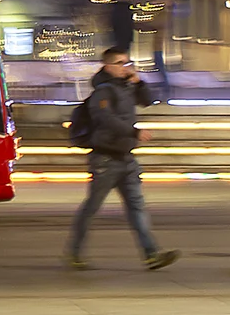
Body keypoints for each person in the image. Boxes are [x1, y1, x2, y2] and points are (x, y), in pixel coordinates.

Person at [66, 47, 180, 271]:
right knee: (92, 207)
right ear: (107, 66)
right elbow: (104, 118)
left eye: (127, 63)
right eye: (120, 63)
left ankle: (151, 254)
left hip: (127, 159)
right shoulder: (103, 91)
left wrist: (138, 82)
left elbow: (149, 100)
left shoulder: (126, 87)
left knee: (137, 207)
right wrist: (133, 132)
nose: (125, 67)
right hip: (105, 159)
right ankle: (74, 252)